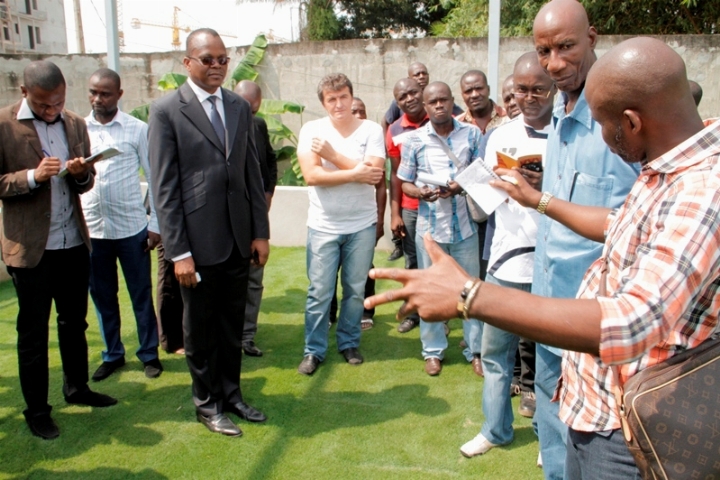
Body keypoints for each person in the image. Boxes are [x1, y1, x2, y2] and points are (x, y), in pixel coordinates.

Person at [366, 36, 720, 479]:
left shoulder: (703, 190)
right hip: (597, 408)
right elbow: (619, 222)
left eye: (604, 125)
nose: (604, 141)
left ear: (631, 122)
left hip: (628, 425)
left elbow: (631, 323)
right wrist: (540, 201)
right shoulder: (672, 166)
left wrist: (468, 295)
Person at [529, 1, 642, 477]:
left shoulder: (618, 119)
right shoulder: (558, 110)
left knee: (595, 451)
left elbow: (639, 219)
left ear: (592, 38)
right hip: (546, 309)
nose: (554, 63)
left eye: (566, 47)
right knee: (551, 429)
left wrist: (541, 202)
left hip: (598, 329)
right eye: (544, 51)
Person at [148, 28, 270, 437]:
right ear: (188, 63)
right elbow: (164, 189)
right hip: (196, 246)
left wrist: (260, 232)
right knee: (199, 330)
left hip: (238, 238)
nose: (217, 66)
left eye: (223, 59)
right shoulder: (166, 110)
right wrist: (178, 252)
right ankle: (207, 404)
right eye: (208, 59)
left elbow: (251, 173)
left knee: (231, 325)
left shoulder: (238, 106)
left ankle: (232, 394)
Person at [0, 60, 117, 440]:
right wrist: (33, 176)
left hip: (72, 242)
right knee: (33, 333)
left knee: (74, 322)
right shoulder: (3, 125)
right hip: (31, 248)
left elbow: (84, 185)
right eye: (43, 105)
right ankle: (36, 410)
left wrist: (82, 171)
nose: (52, 111)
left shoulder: (75, 124)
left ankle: (77, 388)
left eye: (58, 102)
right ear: (24, 94)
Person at [460, 52, 555, 458]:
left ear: (553, 88)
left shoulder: (571, 132)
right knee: (495, 353)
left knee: (551, 362)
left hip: (552, 265)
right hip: (505, 261)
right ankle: (495, 429)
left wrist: (542, 187)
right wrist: (485, 186)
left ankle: (547, 437)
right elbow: (482, 205)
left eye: (538, 89)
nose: (529, 97)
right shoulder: (500, 135)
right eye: (521, 90)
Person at [296, 73, 385, 375]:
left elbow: (375, 174)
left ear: (351, 96)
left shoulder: (371, 130)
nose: (338, 104)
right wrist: (356, 172)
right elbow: (312, 176)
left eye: (343, 96)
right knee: (319, 291)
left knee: (355, 290)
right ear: (323, 103)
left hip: (361, 224)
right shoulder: (312, 130)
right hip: (323, 224)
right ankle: (314, 350)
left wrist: (333, 156)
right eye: (331, 99)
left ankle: (349, 342)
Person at [82, 68, 163, 381]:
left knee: (140, 295)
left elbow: (154, 177)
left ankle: (149, 354)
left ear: (119, 95)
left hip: (131, 230)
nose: (97, 99)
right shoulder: (77, 128)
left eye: (104, 93)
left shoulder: (136, 129)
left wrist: (155, 224)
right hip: (93, 230)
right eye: (93, 92)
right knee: (102, 297)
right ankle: (113, 353)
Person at [398, 81, 483, 377]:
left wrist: (461, 186)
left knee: (471, 291)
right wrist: (419, 192)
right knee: (431, 291)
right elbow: (404, 180)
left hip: (465, 228)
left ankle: (476, 351)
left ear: (452, 101)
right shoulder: (414, 140)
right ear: (425, 105)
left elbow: (482, 172)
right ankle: (432, 351)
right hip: (430, 232)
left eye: (443, 100)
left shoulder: (471, 134)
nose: (438, 105)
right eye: (432, 101)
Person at [234, 80, 278, 357]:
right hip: (226, 220)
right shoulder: (220, 126)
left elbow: (270, 162)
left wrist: (268, 193)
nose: (247, 114)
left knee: (253, 279)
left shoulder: (259, 126)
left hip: (255, 218)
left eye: (252, 108)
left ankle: (247, 336)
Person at [386, 77, 428, 334]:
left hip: (440, 205)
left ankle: (438, 315)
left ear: (422, 92)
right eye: (403, 97)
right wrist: (395, 212)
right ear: (398, 102)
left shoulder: (438, 118)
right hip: (410, 206)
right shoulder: (394, 130)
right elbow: (394, 174)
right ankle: (413, 314)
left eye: (413, 93)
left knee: (436, 262)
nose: (410, 99)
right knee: (412, 262)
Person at [382, 62, 464, 131]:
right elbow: (386, 121)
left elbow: (460, 114)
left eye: (424, 73)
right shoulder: (401, 101)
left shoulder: (436, 95)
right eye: (417, 74)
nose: (421, 77)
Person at [457, 70, 508, 134]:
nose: (474, 95)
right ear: (462, 95)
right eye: (468, 91)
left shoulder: (509, 119)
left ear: (488, 90)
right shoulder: (456, 126)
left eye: (479, 88)